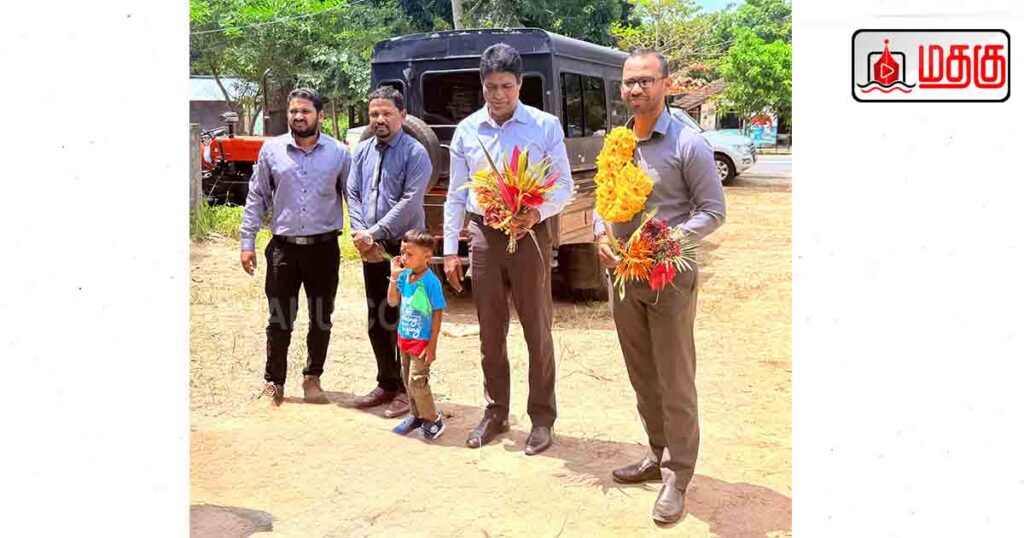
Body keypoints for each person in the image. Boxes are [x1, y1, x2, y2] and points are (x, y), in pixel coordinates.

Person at [593, 49, 726, 523]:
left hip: (668, 278)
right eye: (629, 81)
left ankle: (678, 474)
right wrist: (600, 233)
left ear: (666, 85)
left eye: (646, 81)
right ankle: (656, 451)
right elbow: (603, 199)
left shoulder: (688, 144)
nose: (635, 89)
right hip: (623, 278)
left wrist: (665, 242)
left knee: (674, 377)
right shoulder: (619, 141)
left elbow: (713, 211)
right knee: (642, 372)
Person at [442, 43, 573, 455]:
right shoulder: (467, 131)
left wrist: (535, 213)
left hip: (531, 234)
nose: (498, 95)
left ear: (520, 84)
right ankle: (496, 412)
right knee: (489, 330)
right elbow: (456, 194)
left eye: (506, 86)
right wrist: (451, 249)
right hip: (485, 235)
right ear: (482, 85)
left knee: (537, 328)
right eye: (491, 87)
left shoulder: (544, 125)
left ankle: (542, 419)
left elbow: (563, 185)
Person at [239, 87, 351, 406]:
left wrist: (364, 234)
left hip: (323, 249)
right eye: (294, 111)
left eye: (305, 111)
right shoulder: (271, 150)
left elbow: (352, 196)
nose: (299, 116)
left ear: (320, 116)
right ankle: (274, 382)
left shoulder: (339, 153)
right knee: (279, 318)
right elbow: (257, 196)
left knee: (321, 316)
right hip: (283, 250)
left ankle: (312, 377)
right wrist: (247, 241)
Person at [347, 86, 433, 418]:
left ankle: (409, 391)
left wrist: (374, 233)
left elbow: (410, 201)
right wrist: (362, 234)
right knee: (379, 317)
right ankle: (386, 382)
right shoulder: (362, 150)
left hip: (404, 249)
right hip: (372, 247)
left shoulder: (415, 153)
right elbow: (353, 193)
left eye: (387, 113)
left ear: (403, 116)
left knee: (408, 320)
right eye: (374, 114)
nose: (379, 119)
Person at [387, 229, 448, 440]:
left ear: (427, 256)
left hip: (422, 342)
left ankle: (433, 419)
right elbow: (392, 301)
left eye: (410, 254)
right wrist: (394, 278)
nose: (404, 258)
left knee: (417, 382)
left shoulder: (431, 282)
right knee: (407, 381)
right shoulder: (404, 276)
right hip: (404, 338)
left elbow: (438, 313)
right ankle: (416, 415)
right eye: (402, 252)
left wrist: (432, 345)